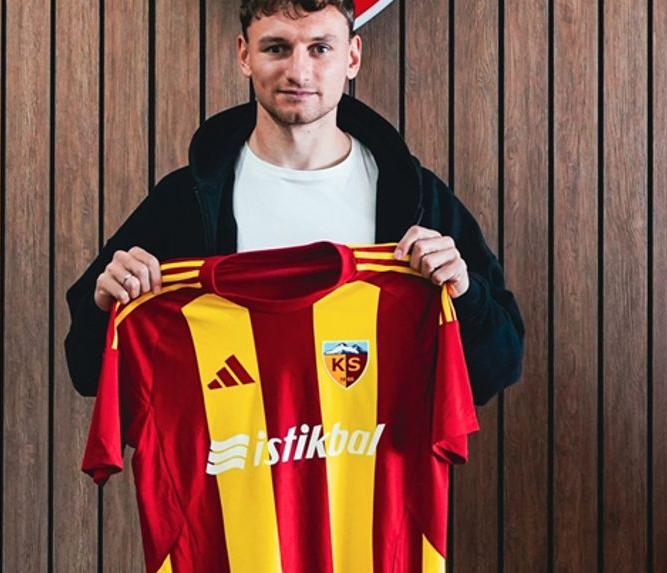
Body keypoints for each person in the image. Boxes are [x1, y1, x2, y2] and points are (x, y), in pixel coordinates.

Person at [65, 0, 523, 405]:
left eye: (320, 48)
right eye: (277, 48)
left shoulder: (415, 199)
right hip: (234, 472)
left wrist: (467, 296)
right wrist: (104, 306)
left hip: (372, 473)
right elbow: (87, 371)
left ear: (352, 56)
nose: (299, 72)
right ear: (244, 54)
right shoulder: (187, 200)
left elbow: (497, 370)